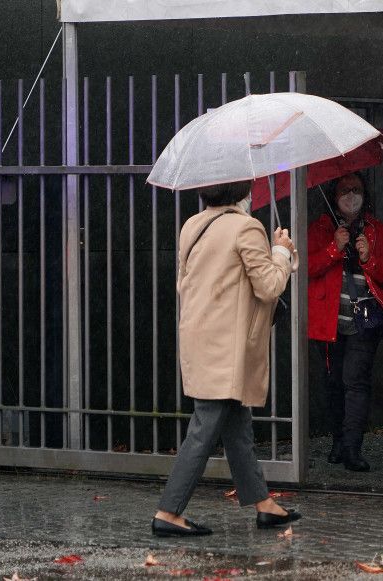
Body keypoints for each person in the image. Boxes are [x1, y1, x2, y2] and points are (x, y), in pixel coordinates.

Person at [152, 180, 300, 537]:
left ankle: (264, 504)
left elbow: (186, 282)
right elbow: (267, 286)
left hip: (202, 338)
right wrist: (280, 251)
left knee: (237, 425)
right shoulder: (246, 227)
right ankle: (168, 511)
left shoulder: (193, 224)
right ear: (241, 189)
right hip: (227, 346)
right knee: (205, 428)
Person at [307, 171, 383, 472]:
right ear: (334, 196)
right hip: (328, 322)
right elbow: (307, 267)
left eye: (357, 189)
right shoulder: (320, 229)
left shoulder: (378, 231)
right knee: (333, 382)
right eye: (345, 190)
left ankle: (352, 448)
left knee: (355, 381)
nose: (351, 195)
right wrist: (334, 248)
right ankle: (338, 441)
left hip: (365, 323)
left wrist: (369, 259)